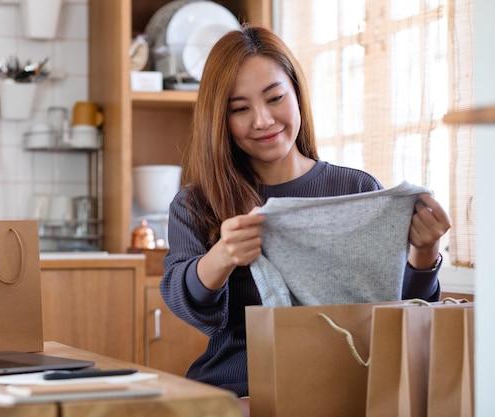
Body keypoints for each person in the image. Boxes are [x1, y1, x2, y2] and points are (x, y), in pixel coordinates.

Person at [159, 25, 452, 402]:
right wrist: (223, 256)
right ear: (220, 119)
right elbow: (192, 308)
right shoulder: (196, 204)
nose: (262, 120)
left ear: (297, 93)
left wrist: (425, 253)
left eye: (275, 97)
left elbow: (403, 314)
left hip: (351, 388)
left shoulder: (357, 190)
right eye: (240, 109)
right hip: (238, 392)